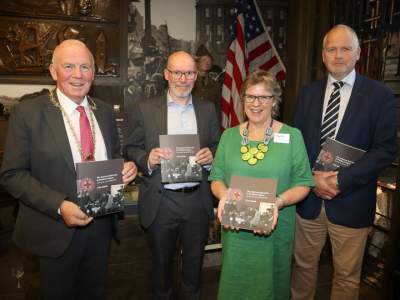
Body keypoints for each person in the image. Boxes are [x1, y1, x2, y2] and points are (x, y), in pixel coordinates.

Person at [0, 39, 137, 299]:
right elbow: (12, 174)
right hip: (51, 232)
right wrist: (60, 205)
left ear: (93, 73)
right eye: (69, 66)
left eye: (85, 67)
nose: (78, 74)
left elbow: (114, 155)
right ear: (53, 71)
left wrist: (124, 168)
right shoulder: (27, 113)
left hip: (100, 230)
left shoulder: (105, 111)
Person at [291, 24, 397, 300]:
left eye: (345, 49)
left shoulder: (380, 95)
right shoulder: (307, 93)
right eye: (331, 49)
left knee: (347, 277)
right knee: (302, 268)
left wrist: (341, 179)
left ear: (358, 53)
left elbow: (386, 149)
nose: (338, 55)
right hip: (309, 200)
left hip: (352, 200)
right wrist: (310, 179)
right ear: (323, 55)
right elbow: (296, 144)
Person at [209, 69, 314, 299]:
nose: (256, 103)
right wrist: (224, 195)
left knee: (271, 287)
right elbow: (216, 178)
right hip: (235, 233)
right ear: (243, 99)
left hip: (274, 231)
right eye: (250, 96)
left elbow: (304, 183)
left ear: (274, 101)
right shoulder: (229, 136)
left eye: (263, 97)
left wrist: (278, 202)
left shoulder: (292, 136)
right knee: (235, 286)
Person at [124, 50, 220, 299]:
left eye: (189, 72)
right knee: (161, 272)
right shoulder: (144, 109)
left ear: (196, 75)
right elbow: (131, 147)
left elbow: (217, 145)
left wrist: (212, 155)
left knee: (193, 272)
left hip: (197, 201)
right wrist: (147, 159)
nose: (183, 78)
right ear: (166, 74)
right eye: (177, 72)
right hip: (161, 201)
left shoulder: (208, 109)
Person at [192, 44, 223, 126]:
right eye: (204, 60)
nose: (207, 62)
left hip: (209, 125)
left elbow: (217, 110)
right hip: (191, 124)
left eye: (209, 60)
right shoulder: (189, 83)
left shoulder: (215, 85)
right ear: (197, 62)